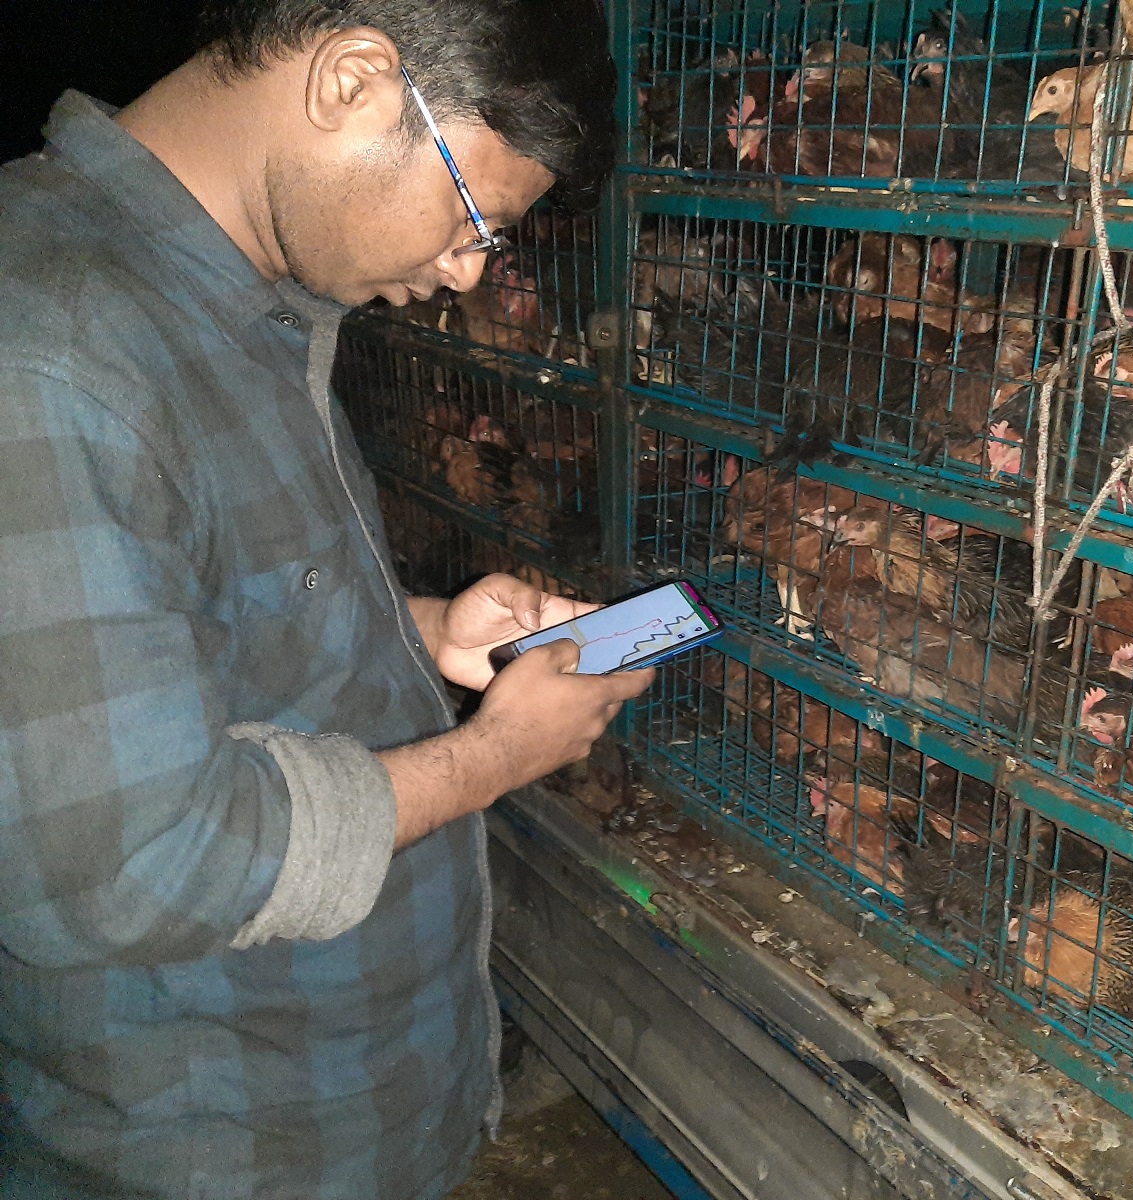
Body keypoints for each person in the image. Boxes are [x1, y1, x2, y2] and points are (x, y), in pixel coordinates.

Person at [0, 1, 648, 1195]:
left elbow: (197, 619)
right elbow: (130, 865)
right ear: (354, 80)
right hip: (221, 1142)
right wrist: (499, 755)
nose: (463, 272)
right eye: (473, 217)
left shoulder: (229, 303)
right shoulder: (50, 352)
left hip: (350, 1096)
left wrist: (427, 628)